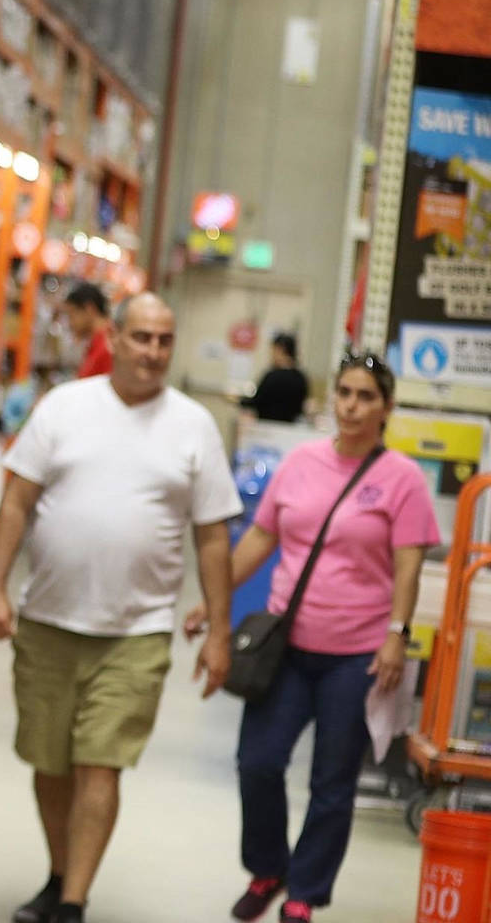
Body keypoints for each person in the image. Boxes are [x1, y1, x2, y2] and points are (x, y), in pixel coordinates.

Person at [0, 293, 242, 923]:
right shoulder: (64, 407)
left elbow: (212, 535)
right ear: (115, 339)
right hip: (48, 619)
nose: (153, 353)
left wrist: (219, 631)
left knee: (101, 764)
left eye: (164, 340)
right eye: (142, 338)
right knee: (49, 764)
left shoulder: (193, 426)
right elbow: (16, 502)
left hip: (138, 631)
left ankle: (73, 902)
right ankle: (58, 872)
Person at [187, 354, 437, 923]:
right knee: (258, 762)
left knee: (332, 780)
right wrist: (213, 598)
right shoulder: (299, 463)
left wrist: (396, 635)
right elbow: (258, 541)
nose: (351, 406)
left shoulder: (401, 479)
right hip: (288, 647)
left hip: (357, 655)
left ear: (386, 408)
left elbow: (407, 568)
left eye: (366, 396)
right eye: (344, 393)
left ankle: (304, 892)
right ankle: (268, 867)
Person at [241, 333, 308, 423]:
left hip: (267, 427)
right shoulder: (301, 378)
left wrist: (240, 400)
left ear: (279, 349)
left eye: (272, 351)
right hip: (291, 430)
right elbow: (301, 407)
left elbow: (256, 402)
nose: (271, 356)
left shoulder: (272, 376)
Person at [63, 282, 112, 378]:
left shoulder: (108, 346)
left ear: (89, 309)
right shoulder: (96, 343)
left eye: (71, 315)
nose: (70, 323)